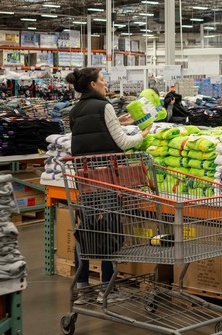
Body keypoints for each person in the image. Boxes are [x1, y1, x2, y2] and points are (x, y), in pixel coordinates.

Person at [64, 67, 151, 304]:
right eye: (102, 80)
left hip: (85, 178)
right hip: (107, 177)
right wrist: (142, 134)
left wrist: (117, 122)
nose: (105, 84)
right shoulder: (104, 106)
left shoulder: (75, 111)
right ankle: (107, 287)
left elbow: (91, 136)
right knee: (110, 229)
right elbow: (122, 143)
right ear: (92, 84)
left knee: (88, 229)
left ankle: (82, 288)